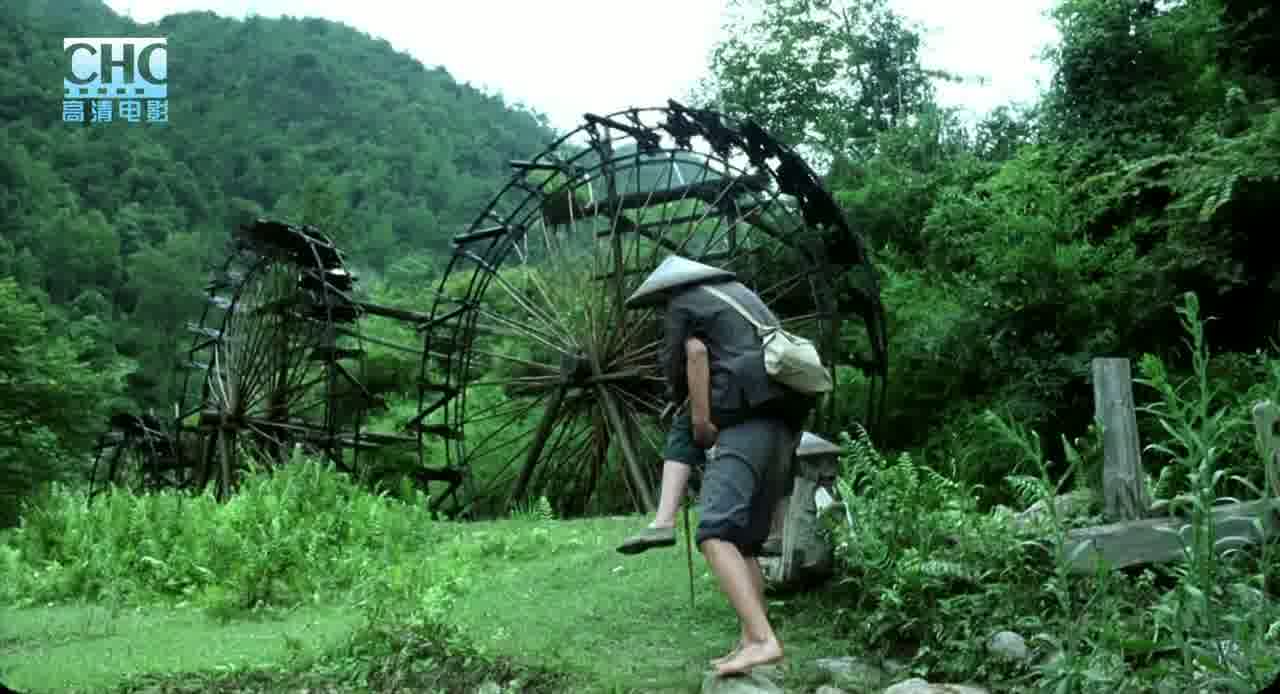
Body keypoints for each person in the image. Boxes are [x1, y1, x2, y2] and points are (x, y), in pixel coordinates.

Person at [622, 255, 814, 676]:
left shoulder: (684, 304)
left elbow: (687, 358)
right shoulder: (739, 295)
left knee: (714, 532)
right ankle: (749, 641)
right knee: (744, 543)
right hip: (784, 425)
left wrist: (698, 420)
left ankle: (763, 641)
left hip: (743, 422)